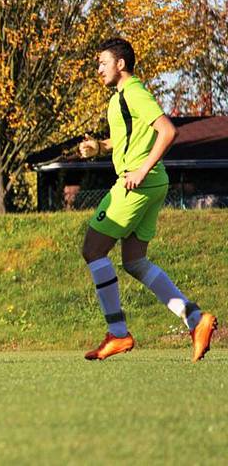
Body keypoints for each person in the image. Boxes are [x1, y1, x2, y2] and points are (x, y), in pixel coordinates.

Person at [79, 38, 217, 362]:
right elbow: (129, 136)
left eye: (102, 63)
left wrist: (140, 171)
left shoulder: (134, 93)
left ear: (121, 64)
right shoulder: (120, 99)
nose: (98, 69)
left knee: (93, 249)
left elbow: (168, 131)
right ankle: (196, 320)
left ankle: (117, 334)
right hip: (152, 184)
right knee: (134, 261)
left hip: (136, 185)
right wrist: (100, 146)